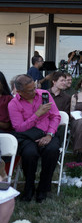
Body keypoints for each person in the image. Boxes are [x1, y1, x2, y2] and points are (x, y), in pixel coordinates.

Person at [8, 74, 61, 203]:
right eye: (30, 90)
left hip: (47, 133)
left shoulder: (44, 95)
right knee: (29, 153)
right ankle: (29, 186)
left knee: (52, 150)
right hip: (27, 136)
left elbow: (56, 116)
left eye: (35, 87)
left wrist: (49, 135)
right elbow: (19, 128)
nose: (34, 91)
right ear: (19, 91)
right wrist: (37, 114)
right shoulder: (13, 104)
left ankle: (43, 187)